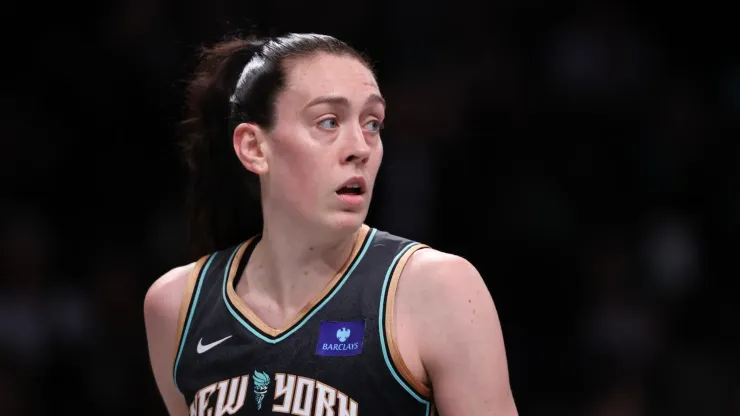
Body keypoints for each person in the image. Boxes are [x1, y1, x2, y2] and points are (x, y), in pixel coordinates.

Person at [144, 32, 518, 416]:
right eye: (328, 121)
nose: (360, 147)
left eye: (373, 123)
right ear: (254, 147)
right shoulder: (176, 306)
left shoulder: (439, 289)